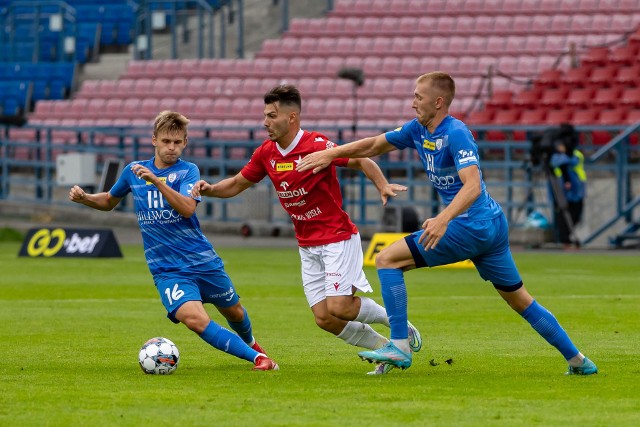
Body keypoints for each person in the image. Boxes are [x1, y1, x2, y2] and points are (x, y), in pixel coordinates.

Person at [297, 72, 597, 375]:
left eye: (419, 97)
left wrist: (442, 219)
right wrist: (330, 153)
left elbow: (472, 186)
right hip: (490, 225)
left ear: (438, 102)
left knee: (387, 260)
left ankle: (399, 344)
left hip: (472, 224)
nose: (413, 103)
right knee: (520, 300)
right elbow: (374, 144)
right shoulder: (417, 130)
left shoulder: (456, 133)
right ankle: (578, 361)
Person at [192, 84, 422, 375]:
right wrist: (209, 189)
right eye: (264, 115)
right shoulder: (266, 153)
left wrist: (382, 184)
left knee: (339, 306)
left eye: (272, 115)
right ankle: (386, 350)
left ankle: (396, 323)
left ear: (292, 117)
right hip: (307, 244)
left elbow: (362, 159)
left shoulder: (316, 145)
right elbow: (237, 183)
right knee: (324, 319)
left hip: (337, 237)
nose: (265, 122)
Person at [69, 110, 278, 371]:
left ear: (185, 143)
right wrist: (86, 198)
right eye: (167, 141)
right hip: (167, 269)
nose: (172, 148)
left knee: (233, 311)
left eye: (178, 143)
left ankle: (252, 344)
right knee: (194, 320)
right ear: (154, 139)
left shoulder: (188, 171)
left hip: (202, 260)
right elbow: (110, 201)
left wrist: (156, 182)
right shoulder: (133, 172)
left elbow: (188, 208)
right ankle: (259, 359)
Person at [549, 141, 586, 248]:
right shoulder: (556, 157)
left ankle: (566, 236)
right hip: (562, 189)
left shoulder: (575, 155)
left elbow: (572, 163)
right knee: (562, 213)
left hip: (577, 188)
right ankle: (564, 239)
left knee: (576, 214)